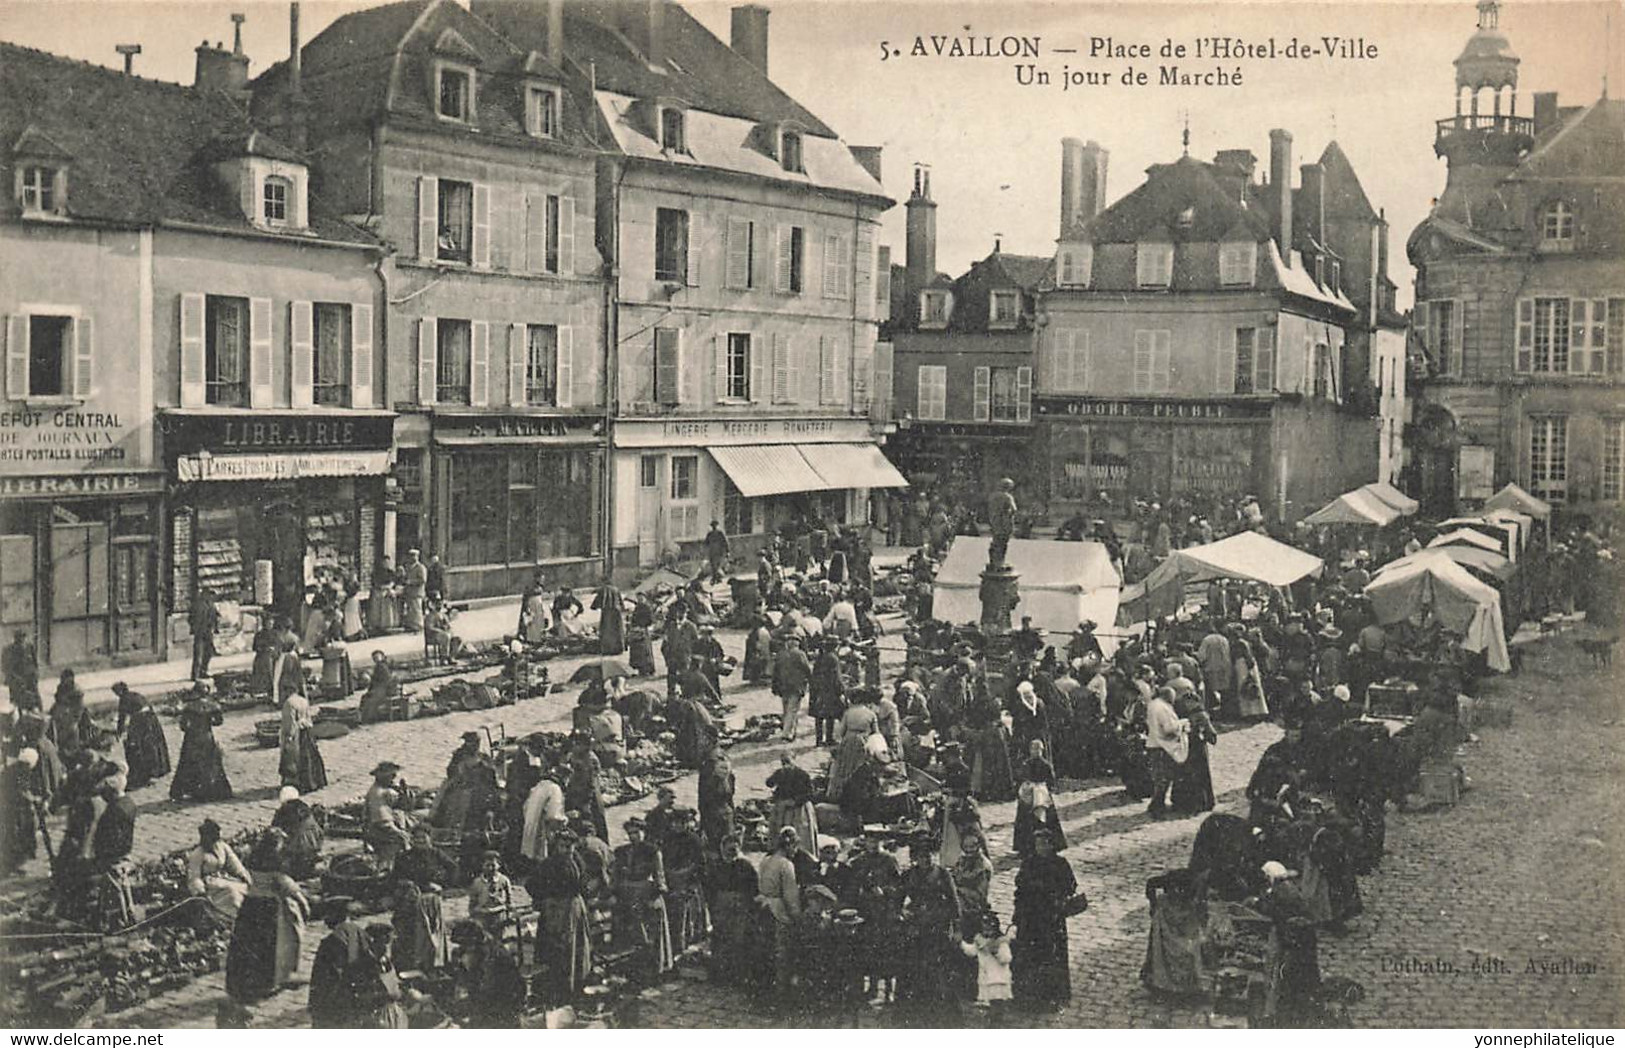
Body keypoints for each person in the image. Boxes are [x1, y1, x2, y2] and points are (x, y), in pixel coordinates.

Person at [225, 829, 310, 1005]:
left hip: (250, 906)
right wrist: (304, 903)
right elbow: (289, 887)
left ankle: (243, 985)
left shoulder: (253, 859)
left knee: (247, 946)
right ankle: (265, 984)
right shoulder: (276, 865)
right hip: (268, 908)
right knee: (269, 948)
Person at [1011, 827, 1079, 1012]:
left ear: (1051, 845)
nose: (1040, 847)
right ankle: (1029, 995)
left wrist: (1052, 891)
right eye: (1037, 844)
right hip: (1031, 917)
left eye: (1044, 844)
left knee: (1052, 957)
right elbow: (1020, 887)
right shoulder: (1029, 863)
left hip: (1051, 918)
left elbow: (1070, 886)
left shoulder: (1060, 863)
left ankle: (1053, 996)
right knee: (1030, 955)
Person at [524, 829, 594, 1003]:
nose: (567, 850)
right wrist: (547, 900)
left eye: (570, 846)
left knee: (576, 948)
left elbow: (584, 882)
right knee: (557, 949)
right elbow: (531, 885)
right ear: (556, 846)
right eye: (563, 846)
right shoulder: (548, 864)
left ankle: (576, 984)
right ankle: (556, 989)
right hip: (556, 912)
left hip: (575, 909)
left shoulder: (577, 860)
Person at [898, 834, 962, 1013]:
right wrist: (902, 911)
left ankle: (940, 1007)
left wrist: (956, 929)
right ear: (915, 858)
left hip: (938, 925)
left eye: (929, 855)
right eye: (921, 856)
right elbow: (897, 900)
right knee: (915, 966)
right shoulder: (908, 875)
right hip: (915, 926)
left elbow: (954, 903)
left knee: (939, 967)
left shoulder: (943, 874)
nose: (926, 859)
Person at [612, 817, 674, 981]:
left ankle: (653, 968)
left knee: (650, 933)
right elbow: (616, 876)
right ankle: (632, 968)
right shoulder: (621, 852)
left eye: (636, 832)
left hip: (647, 895)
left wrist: (657, 893)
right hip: (628, 897)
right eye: (630, 833)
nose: (633, 836)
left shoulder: (652, 851)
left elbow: (659, 876)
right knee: (631, 933)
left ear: (643, 832)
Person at [393, 826, 456, 971]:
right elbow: (394, 879)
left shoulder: (436, 854)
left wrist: (441, 885)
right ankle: (412, 964)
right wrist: (404, 883)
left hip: (430, 902)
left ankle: (433, 963)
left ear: (430, 838)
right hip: (409, 901)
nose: (420, 841)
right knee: (410, 933)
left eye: (423, 837)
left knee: (432, 934)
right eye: (416, 838)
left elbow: (453, 869)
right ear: (412, 840)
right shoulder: (404, 856)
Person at [1142, 867, 1210, 996]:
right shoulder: (1189, 881)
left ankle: (1182, 984)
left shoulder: (1199, 888)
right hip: (1169, 917)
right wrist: (1153, 904)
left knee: (1186, 950)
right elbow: (1152, 883)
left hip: (1185, 916)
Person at [757, 826, 804, 1003]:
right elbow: (790, 896)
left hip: (763, 908)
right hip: (777, 911)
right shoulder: (786, 865)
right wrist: (797, 917)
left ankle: (762, 991)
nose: (796, 851)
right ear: (789, 845)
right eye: (795, 847)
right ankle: (779, 995)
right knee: (781, 954)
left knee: (764, 951)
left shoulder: (766, 860)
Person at [449, 920, 526, 1028]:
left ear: (474, 943)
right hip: (487, 1002)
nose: (462, 949)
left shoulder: (493, 956)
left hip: (503, 1008)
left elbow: (486, 990)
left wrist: (464, 1006)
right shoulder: (476, 951)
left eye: (465, 945)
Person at [706, 834, 760, 986]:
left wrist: (748, 905)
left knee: (739, 940)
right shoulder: (716, 866)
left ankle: (738, 974)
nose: (731, 853)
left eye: (734, 849)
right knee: (720, 938)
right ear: (722, 849)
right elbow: (710, 888)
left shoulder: (746, 866)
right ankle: (721, 974)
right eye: (728, 849)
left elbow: (754, 888)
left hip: (740, 907)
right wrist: (713, 908)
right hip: (721, 906)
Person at [308, 896, 367, 1028]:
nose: (325, 920)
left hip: (335, 1005)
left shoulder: (331, 941)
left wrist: (315, 1008)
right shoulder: (360, 932)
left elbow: (322, 979)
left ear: (336, 915)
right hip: (355, 1001)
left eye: (327, 915)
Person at [276, 652, 328, 795]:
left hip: (297, 734)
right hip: (307, 731)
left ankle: (298, 783)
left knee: (294, 760)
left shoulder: (288, 704)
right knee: (310, 758)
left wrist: (288, 739)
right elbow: (308, 717)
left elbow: (290, 724)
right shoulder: (303, 700)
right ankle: (313, 781)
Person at [170, 685, 232, 802]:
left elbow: (183, 726)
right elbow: (218, 722)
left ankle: (189, 790)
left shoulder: (189, 707)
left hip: (191, 738)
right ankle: (210, 790)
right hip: (207, 736)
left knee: (188, 763)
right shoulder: (212, 706)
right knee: (210, 764)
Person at [185, 817, 250, 926]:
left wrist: (244, 875)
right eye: (211, 839)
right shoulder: (197, 854)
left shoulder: (222, 847)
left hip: (226, 878)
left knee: (244, 889)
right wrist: (199, 891)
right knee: (232, 893)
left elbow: (234, 863)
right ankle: (233, 915)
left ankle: (246, 912)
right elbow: (194, 877)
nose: (214, 842)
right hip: (211, 886)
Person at [661, 807, 708, 953]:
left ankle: (691, 938)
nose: (677, 826)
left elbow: (700, 864)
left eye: (681, 823)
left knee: (691, 912)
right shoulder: (668, 838)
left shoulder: (694, 840)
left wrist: (689, 879)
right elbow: (663, 859)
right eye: (675, 823)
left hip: (688, 881)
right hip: (672, 879)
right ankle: (676, 942)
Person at [111, 682, 170, 791]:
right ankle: (156, 770)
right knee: (153, 745)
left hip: (140, 721)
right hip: (151, 719)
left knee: (137, 747)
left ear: (120, 691)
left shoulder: (124, 699)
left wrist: (119, 732)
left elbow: (122, 718)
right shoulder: (135, 694)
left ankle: (140, 775)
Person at [1014, 740, 1067, 857]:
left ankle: (1049, 844)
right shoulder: (1026, 764)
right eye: (1033, 749)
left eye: (1038, 749)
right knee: (1025, 820)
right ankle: (1025, 847)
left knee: (1044, 820)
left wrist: (1043, 788)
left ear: (1042, 751)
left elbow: (1051, 782)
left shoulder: (1046, 765)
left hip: (1042, 796)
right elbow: (1021, 778)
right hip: (1029, 796)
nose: (1036, 752)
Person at [827, 687, 879, 803]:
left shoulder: (848, 713)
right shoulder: (871, 714)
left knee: (844, 767)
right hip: (864, 742)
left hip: (849, 740)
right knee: (860, 768)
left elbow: (840, 732)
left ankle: (839, 794)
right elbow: (876, 733)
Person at [1144, 686, 1189, 818]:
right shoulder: (1163, 708)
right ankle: (1157, 806)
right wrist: (1182, 724)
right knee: (1164, 778)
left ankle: (1156, 804)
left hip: (1153, 743)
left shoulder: (1153, 704)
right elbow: (1169, 728)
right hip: (1162, 746)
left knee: (1159, 777)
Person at [961, 911, 1014, 1022]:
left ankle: (996, 1021)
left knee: (997, 1004)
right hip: (987, 978)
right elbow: (972, 951)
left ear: (995, 928)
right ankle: (994, 1020)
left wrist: (996, 952)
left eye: (990, 928)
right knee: (990, 1004)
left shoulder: (1000, 942)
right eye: (984, 928)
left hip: (998, 979)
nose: (987, 931)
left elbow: (1007, 958)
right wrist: (961, 943)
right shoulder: (980, 941)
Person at [1171, 689, 1217, 816]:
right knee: (1197, 775)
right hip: (1194, 747)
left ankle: (1188, 803)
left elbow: (1211, 734)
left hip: (1190, 748)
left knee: (1190, 774)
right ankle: (1200, 802)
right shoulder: (1200, 715)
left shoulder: (1186, 715)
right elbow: (1212, 735)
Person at [271, 786, 325, 880]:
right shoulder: (306, 810)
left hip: (295, 851)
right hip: (312, 847)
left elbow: (274, 832)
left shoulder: (283, 812)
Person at [766, 755, 819, 851]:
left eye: (788, 761)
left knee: (801, 835)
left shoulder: (802, 775)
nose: (786, 765)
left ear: (794, 760)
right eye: (783, 762)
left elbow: (811, 794)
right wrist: (777, 775)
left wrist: (795, 801)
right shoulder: (781, 773)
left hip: (799, 809)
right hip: (783, 809)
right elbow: (769, 783)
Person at [364, 761, 413, 862]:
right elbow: (383, 821)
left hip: (393, 822)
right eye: (391, 776)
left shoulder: (388, 789)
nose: (394, 778)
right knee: (405, 841)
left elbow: (404, 806)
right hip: (380, 832)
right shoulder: (377, 794)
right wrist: (400, 833)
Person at [519, 763, 566, 863]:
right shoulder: (555, 789)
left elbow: (525, 807)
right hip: (542, 830)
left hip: (529, 827)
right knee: (541, 858)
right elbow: (553, 816)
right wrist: (566, 819)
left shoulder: (538, 787)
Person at [772, 634, 813, 743]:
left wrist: (775, 686)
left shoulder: (781, 654)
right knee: (792, 710)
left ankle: (791, 731)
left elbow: (775, 672)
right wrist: (811, 681)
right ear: (797, 643)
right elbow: (807, 669)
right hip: (796, 686)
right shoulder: (800, 654)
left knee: (786, 709)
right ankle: (787, 734)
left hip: (783, 685)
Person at [47, 670, 91, 761]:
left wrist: (73, 720)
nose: (63, 682)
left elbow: (78, 711)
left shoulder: (77, 693)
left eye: (65, 680)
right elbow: (57, 700)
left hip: (74, 713)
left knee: (72, 730)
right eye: (62, 680)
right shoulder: (61, 688)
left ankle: (73, 750)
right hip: (62, 711)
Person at [697, 747, 736, 849]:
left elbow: (730, 798)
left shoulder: (730, 778)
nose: (724, 772)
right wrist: (703, 826)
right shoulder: (708, 781)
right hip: (712, 815)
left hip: (727, 814)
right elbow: (703, 803)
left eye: (726, 769)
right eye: (721, 769)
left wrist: (733, 814)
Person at [468, 850, 514, 934]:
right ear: (482, 866)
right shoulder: (477, 882)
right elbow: (472, 902)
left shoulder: (504, 880)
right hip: (482, 916)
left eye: (493, 865)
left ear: (499, 865)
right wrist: (473, 916)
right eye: (487, 865)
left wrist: (508, 914)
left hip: (499, 915)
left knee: (498, 940)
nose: (490, 868)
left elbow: (509, 901)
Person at [3, 630, 40, 712]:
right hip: (17, 681)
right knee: (17, 703)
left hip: (30, 679)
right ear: (15, 640)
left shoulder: (29, 647)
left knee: (34, 700)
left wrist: (36, 674)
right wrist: (14, 679)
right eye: (19, 639)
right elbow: (6, 668)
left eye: (23, 638)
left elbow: (35, 662)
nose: (22, 641)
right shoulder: (9, 650)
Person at [358, 651, 397, 724]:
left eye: (377, 657)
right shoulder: (381, 666)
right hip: (383, 688)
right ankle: (364, 716)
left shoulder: (381, 666)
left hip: (384, 689)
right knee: (366, 697)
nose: (375, 659)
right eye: (374, 658)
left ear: (382, 657)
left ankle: (367, 718)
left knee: (370, 700)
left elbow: (382, 680)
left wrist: (372, 683)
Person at [987, 478, 1018, 568]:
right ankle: (1000, 562)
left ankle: (993, 561)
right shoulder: (1007, 497)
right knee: (1003, 542)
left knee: (995, 541)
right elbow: (1014, 509)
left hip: (994, 522)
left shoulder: (992, 496)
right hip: (1004, 523)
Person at [190, 596, 219, 681]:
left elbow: (215, 617)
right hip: (200, 632)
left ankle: (203, 671)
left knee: (208, 653)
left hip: (208, 632)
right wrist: (194, 627)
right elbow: (191, 618)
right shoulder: (197, 605)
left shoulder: (212, 605)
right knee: (198, 653)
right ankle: (195, 674)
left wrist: (215, 628)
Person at [400, 550, 427, 631]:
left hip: (417, 592)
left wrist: (411, 581)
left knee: (416, 609)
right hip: (409, 592)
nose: (412, 558)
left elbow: (423, 580)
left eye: (414, 556)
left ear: (417, 557)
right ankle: (410, 625)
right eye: (411, 556)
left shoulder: (421, 567)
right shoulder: (408, 567)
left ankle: (418, 625)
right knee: (410, 609)